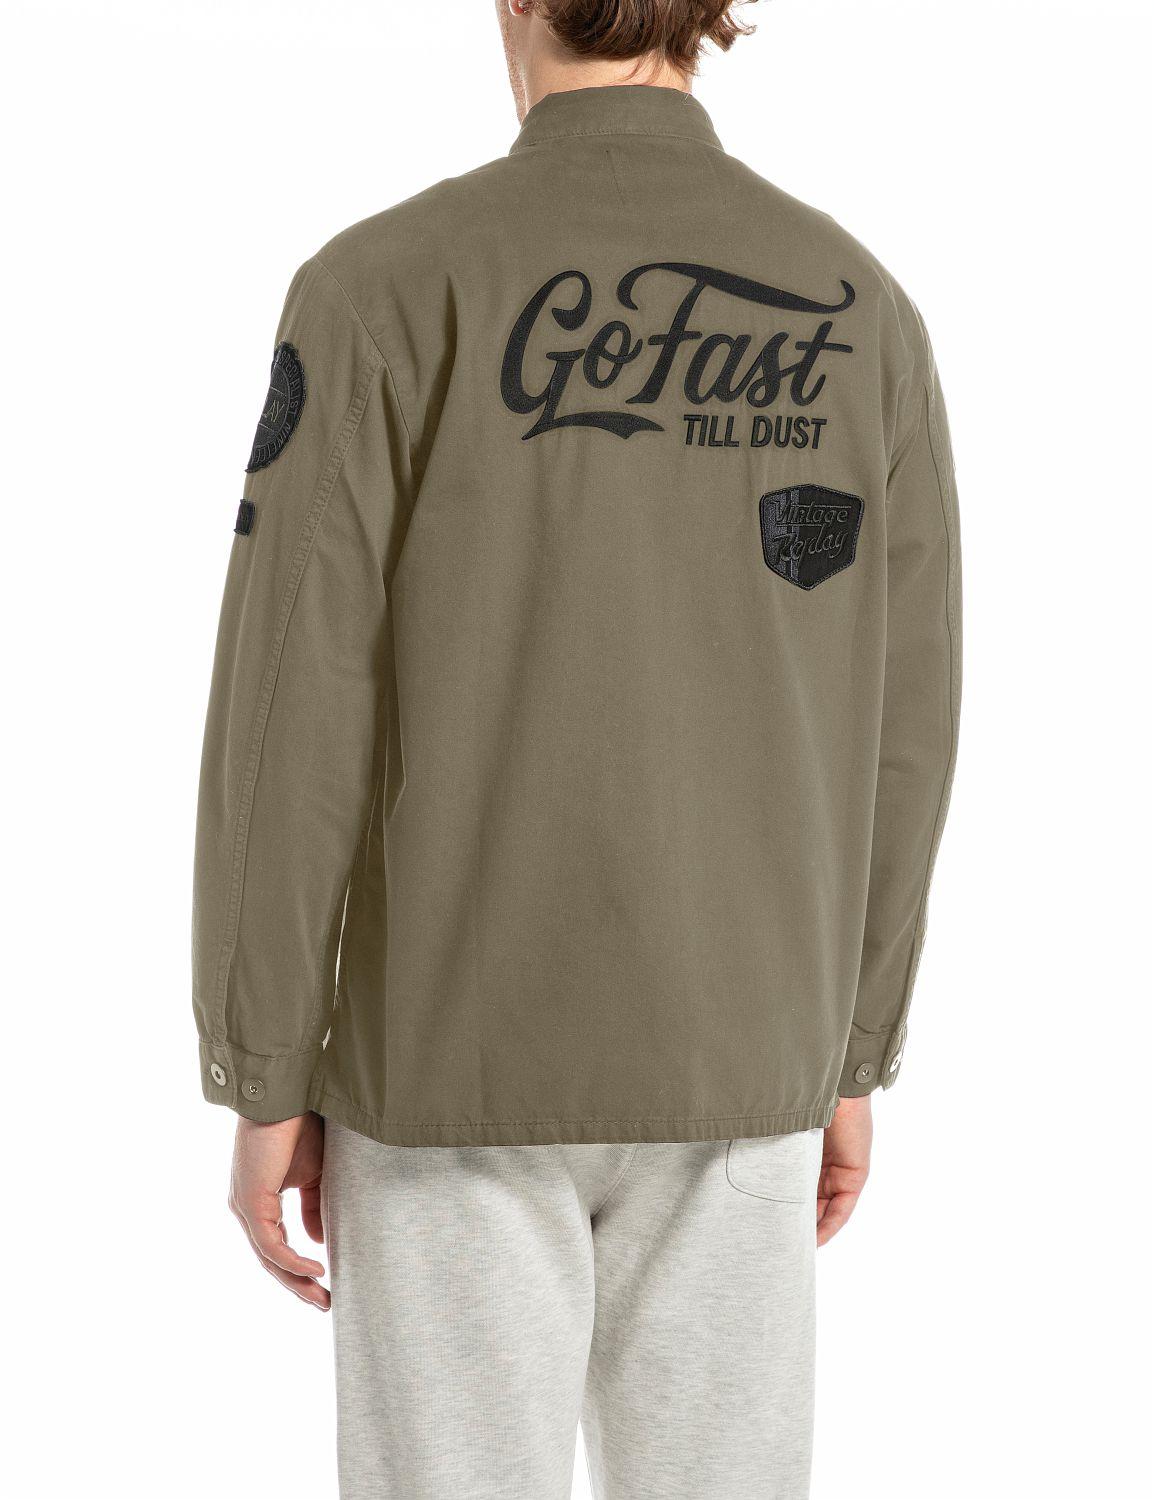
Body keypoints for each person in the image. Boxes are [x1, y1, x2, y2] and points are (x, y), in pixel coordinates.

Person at [192, 1, 962, 1494]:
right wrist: (851, 1043)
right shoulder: (857, 307)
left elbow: (291, 710)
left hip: (448, 1063)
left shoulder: (382, 287)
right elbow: (906, 718)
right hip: (745, 1050)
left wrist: (264, 1065)